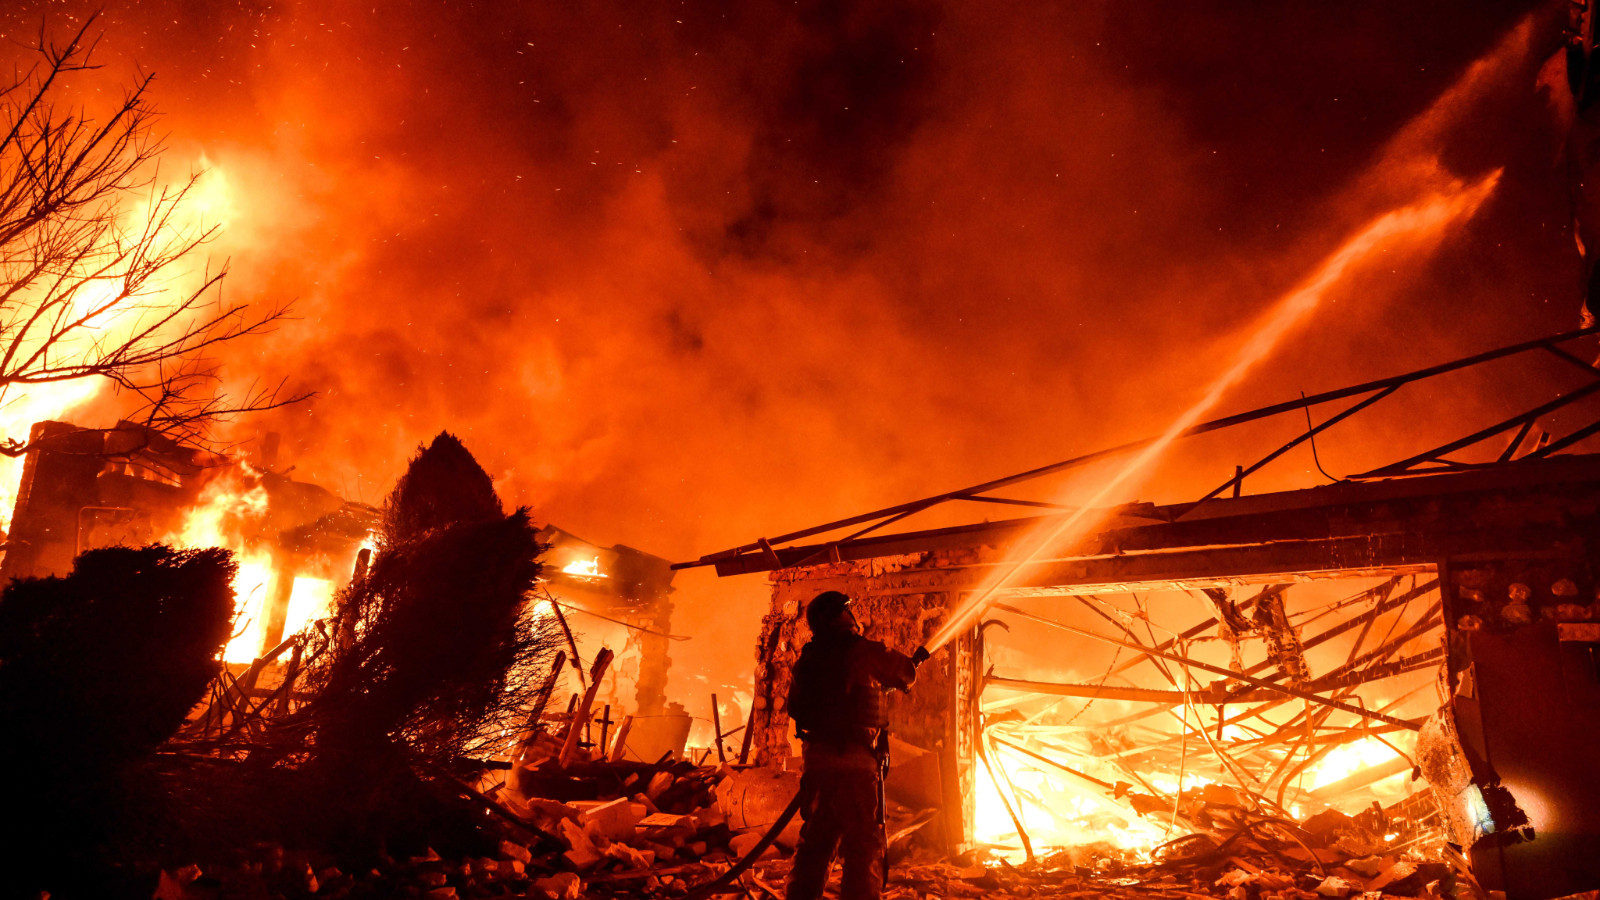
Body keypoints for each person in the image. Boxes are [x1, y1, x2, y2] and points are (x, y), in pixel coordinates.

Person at [784, 590, 927, 900]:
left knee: (815, 844)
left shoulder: (807, 660)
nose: (854, 616)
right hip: (857, 765)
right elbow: (905, 673)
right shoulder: (864, 651)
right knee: (863, 845)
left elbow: (794, 708)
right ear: (841, 616)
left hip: (817, 765)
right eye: (849, 610)